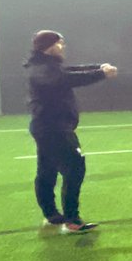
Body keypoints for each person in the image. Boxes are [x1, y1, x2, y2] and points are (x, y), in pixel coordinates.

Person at [24, 30, 117, 233]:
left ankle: (51, 215)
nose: (63, 47)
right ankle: (72, 220)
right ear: (49, 46)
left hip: (48, 127)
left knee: (47, 171)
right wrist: (101, 74)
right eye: (60, 43)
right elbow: (67, 79)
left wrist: (98, 67)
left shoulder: (46, 65)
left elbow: (69, 71)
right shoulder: (42, 69)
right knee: (75, 168)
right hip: (53, 129)